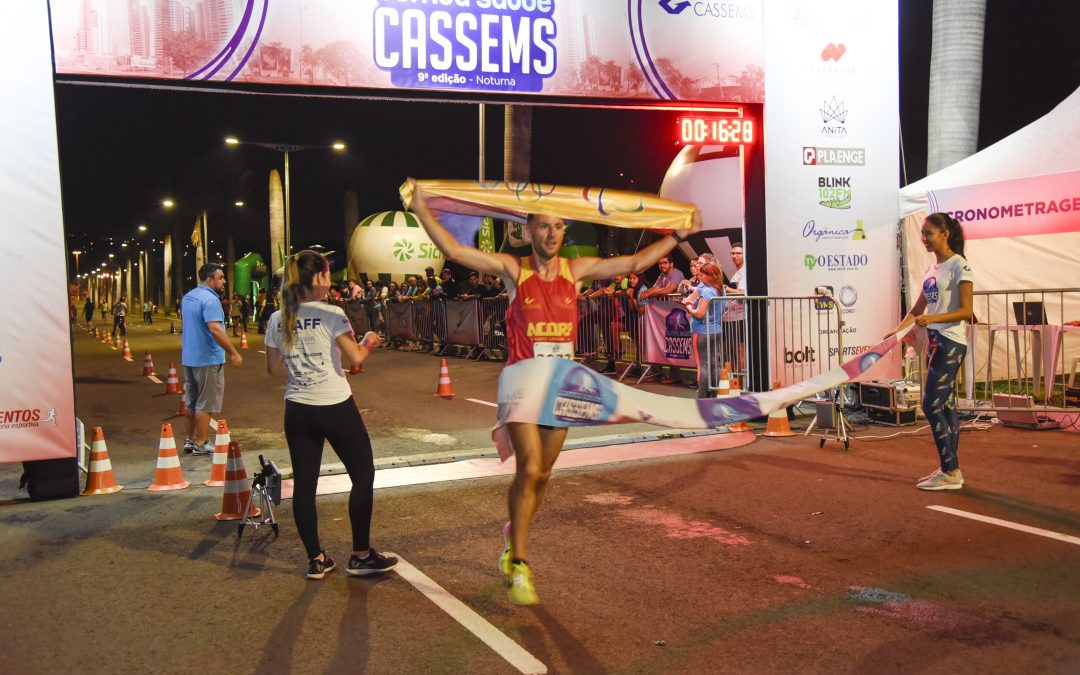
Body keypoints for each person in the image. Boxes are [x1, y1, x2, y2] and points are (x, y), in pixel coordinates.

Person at [409, 181, 701, 605]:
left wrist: (677, 236)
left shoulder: (575, 272)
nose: (551, 234)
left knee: (543, 474)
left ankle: (514, 532)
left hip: (563, 383)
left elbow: (634, 261)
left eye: (559, 226)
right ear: (528, 231)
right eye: (543, 227)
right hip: (523, 381)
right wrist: (421, 208)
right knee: (528, 470)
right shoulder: (514, 270)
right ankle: (520, 561)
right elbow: (457, 252)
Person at [264, 250, 397, 580]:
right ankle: (361, 555)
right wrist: (368, 340)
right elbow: (356, 358)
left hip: (297, 408)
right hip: (335, 406)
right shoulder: (331, 313)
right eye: (327, 274)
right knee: (363, 476)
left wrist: (302, 359)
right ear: (320, 278)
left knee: (304, 487)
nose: (330, 280)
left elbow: (273, 368)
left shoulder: (278, 317)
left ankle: (316, 559)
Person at [886, 213, 973, 491]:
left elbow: (966, 311)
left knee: (931, 404)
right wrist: (896, 335)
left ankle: (950, 471)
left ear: (945, 234)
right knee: (944, 405)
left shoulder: (959, 265)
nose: (924, 239)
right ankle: (950, 470)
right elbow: (916, 310)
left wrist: (933, 321)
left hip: (950, 341)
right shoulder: (932, 269)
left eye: (929, 233)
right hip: (935, 341)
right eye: (923, 234)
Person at [181, 264, 243, 456]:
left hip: (190, 358)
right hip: (208, 358)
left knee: (191, 402)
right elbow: (215, 329)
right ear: (209, 280)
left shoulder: (188, 297)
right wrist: (233, 352)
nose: (224, 281)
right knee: (205, 403)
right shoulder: (210, 300)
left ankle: (190, 440)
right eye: (221, 278)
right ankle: (201, 443)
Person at [682, 259, 725, 399]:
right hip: (716, 331)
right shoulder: (721, 289)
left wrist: (689, 308)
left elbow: (699, 314)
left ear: (710, 275)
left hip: (703, 332)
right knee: (714, 364)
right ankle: (713, 394)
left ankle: (702, 398)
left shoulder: (707, 291)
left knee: (704, 366)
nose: (701, 278)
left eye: (703, 275)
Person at [723, 244, 746, 372]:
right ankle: (734, 382)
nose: (734, 256)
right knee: (730, 352)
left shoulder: (745, 272)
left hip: (739, 317)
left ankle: (742, 384)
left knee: (740, 351)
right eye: (732, 253)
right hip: (730, 317)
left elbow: (742, 292)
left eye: (738, 253)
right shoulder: (738, 272)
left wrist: (726, 288)